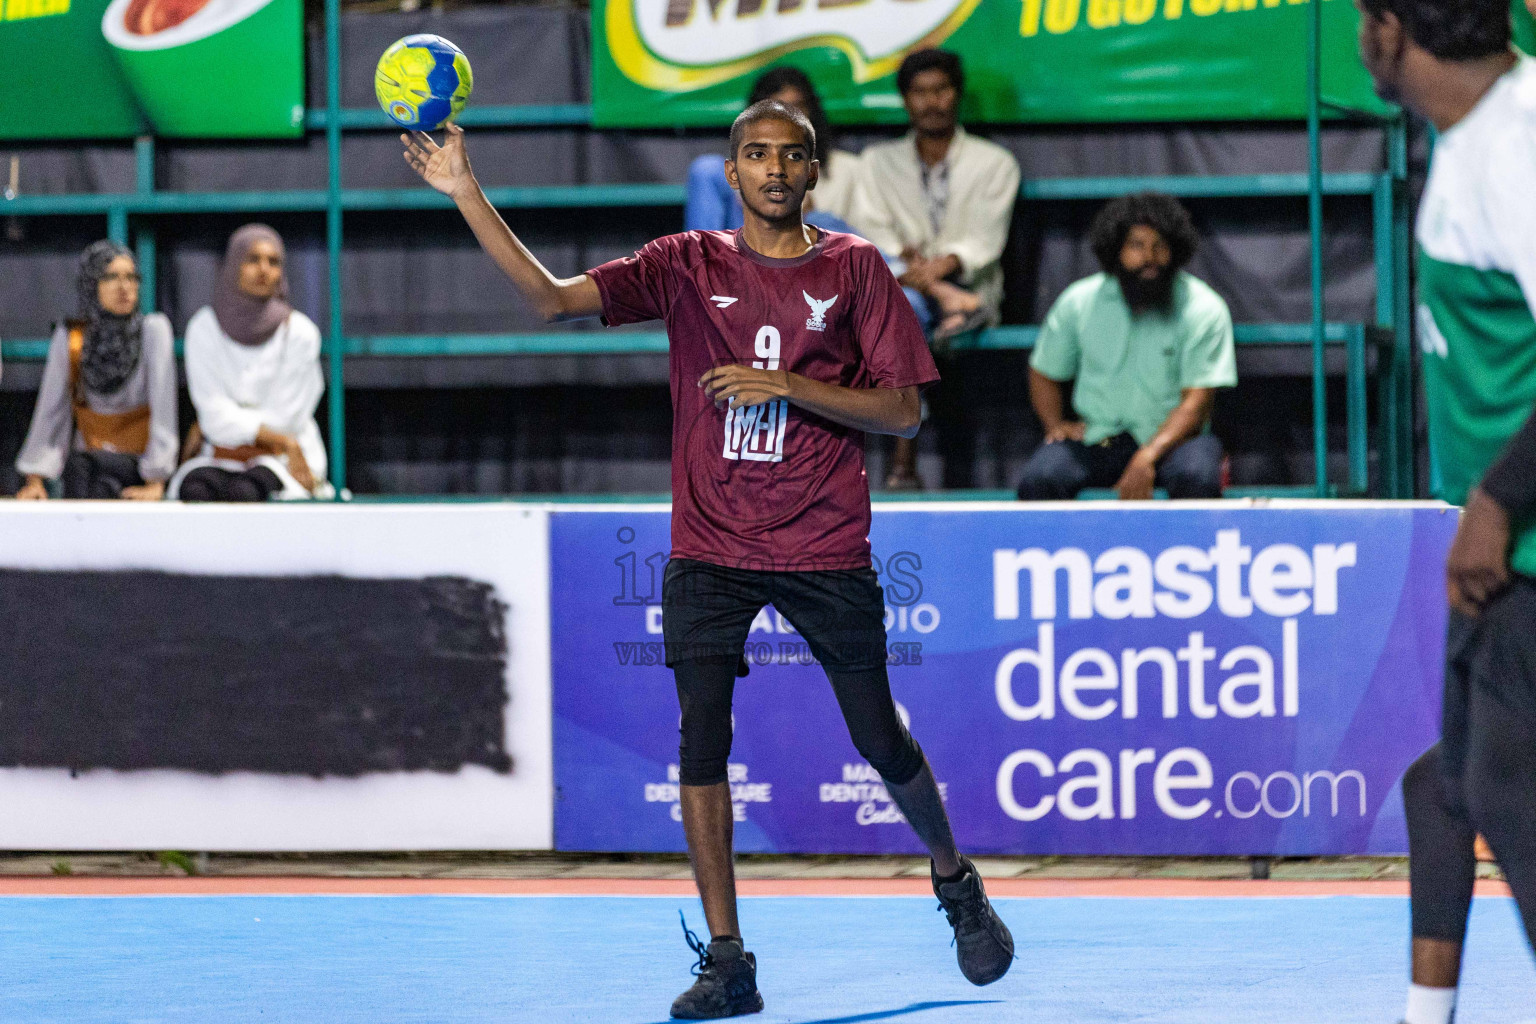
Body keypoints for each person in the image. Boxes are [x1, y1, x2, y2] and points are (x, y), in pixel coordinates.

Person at [402, 100, 1013, 1019]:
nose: (773, 168)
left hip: (822, 543)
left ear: (816, 175)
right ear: (731, 173)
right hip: (711, 545)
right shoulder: (685, 264)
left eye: (791, 156)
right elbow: (551, 298)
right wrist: (465, 189)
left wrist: (788, 386)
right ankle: (730, 962)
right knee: (700, 742)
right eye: (755, 154)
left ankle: (956, 882)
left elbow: (903, 411)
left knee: (877, 737)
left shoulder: (855, 269)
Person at [1354, 2, 1536, 1022]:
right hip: (1500, 558)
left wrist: (1499, 503)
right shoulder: (1471, 143)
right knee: (1448, 788)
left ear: (1389, 29)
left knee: (1511, 797)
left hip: (1522, 543)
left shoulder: (1518, 147)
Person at [850, 48, 1021, 488]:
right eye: (919, 92)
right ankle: (904, 461)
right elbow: (871, 231)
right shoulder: (876, 162)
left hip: (970, 287)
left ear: (957, 95)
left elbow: (984, 242)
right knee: (900, 302)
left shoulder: (995, 163)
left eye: (941, 90)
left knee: (901, 304)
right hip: (902, 285)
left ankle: (904, 464)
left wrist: (933, 269)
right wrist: (914, 270)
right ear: (905, 100)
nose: (931, 101)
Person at [1016, 192, 1235, 501]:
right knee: (1040, 478)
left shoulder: (1202, 307)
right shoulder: (1079, 302)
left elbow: (1196, 405)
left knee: (1197, 475)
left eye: (1160, 245)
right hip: (1097, 440)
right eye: (1137, 245)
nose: (1150, 256)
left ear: (1175, 249)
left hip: (1175, 443)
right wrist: (1055, 424)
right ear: (1115, 249)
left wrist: (1146, 457)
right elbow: (1043, 371)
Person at [167, 224, 329, 502]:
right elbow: (213, 414)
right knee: (196, 492)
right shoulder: (204, 327)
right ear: (233, 265)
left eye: (274, 261)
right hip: (219, 456)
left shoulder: (300, 333)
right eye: (253, 260)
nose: (264, 270)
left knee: (247, 492)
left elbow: (286, 418)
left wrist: (227, 425)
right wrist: (215, 424)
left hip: (283, 460)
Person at [14, 241, 177, 501]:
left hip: (137, 460)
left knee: (83, 469)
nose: (124, 287)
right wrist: (35, 478)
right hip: (87, 460)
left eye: (131, 277)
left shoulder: (153, 332)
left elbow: (164, 410)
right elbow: (51, 410)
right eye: (111, 277)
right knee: (98, 485)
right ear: (92, 284)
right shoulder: (74, 337)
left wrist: (156, 480)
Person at [685, 67, 861, 234]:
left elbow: (862, 237)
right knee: (706, 168)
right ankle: (699, 264)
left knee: (819, 221)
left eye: (797, 108)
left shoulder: (847, 167)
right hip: (744, 250)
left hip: (812, 253)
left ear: (812, 111)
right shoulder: (740, 167)